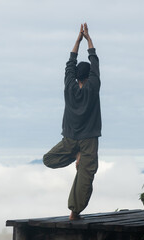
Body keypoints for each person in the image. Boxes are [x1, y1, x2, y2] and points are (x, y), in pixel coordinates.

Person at [43, 23, 101, 220]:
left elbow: (70, 62)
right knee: (87, 175)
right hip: (88, 140)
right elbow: (95, 62)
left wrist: (77, 40)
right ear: (90, 76)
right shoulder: (93, 86)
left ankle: (76, 155)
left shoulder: (69, 85)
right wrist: (88, 40)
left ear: (76, 76)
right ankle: (74, 213)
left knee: (48, 159)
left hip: (69, 139)